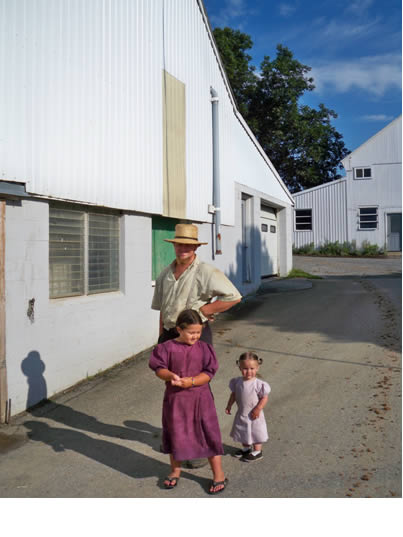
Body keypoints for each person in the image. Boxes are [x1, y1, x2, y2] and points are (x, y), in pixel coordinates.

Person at [149, 309, 228, 494]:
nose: (195, 336)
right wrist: (170, 376)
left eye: (198, 332)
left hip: (201, 400)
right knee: (175, 434)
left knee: (208, 434)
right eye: (191, 332)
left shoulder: (204, 348)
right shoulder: (166, 348)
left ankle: (219, 475)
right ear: (179, 329)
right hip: (175, 400)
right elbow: (158, 368)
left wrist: (191, 381)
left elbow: (209, 373)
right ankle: (175, 471)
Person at [152, 223, 242, 346]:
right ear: (174, 245)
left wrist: (205, 310)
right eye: (179, 244)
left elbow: (234, 297)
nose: (183, 248)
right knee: (166, 366)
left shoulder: (206, 271)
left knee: (198, 365)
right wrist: (161, 337)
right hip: (169, 335)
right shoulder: (164, 274)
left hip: (195, 336)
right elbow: (163, 308)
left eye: (188, 245)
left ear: (195, 247)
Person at [225, 351, 271, 462]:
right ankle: (246, 448)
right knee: (242, 430)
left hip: (255, 414)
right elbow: (234, 394)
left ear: (257, 367)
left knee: (256, 431)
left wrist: (258, 409)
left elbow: (264, 398)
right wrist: (229, 405)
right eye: (245, 368)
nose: (248, 371)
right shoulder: (237, 382)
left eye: (252, 368)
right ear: (239, 367)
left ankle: (257, 451)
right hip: (242, 412)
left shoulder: (259, 384)